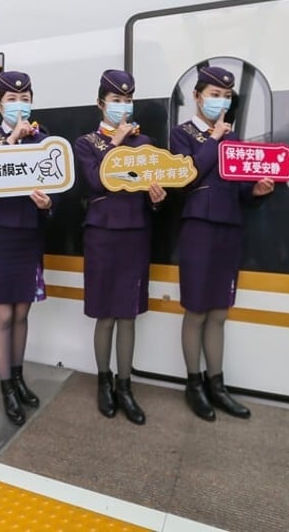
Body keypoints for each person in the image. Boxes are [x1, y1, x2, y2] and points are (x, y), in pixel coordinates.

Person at [169, 65, 274, 422]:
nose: (221, 101)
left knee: (219, 312)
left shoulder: (235, 140)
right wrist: (214, 139)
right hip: (198, 228)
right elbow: (186, 176)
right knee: (196, 310)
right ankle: (193, 383)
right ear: (197, 97)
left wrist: (256, 191)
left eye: (226, 95)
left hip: (230, 227)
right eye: (214, 94)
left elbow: (239, 186)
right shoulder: (181, 134)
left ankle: (218, 384)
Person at [73, 70, 165, 425]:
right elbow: (96, 181)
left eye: (127, 100)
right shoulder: (87, 143)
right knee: (105, 313)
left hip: (136, 233)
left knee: (128, 313)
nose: (122, 106)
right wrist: (116, 142)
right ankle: (104, 381)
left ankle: (126, 385)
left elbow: (154, 191)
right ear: (101, 104)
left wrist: (157, 200)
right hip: (101, 235)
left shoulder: (146, 145)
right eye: (115, 101)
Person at [0, 71, 53, 426]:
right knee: (1, 315)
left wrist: (49, 204)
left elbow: (56, 184)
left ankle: (18, 378)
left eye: (24, 98)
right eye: (11, 99)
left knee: (21, 313)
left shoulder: (45, 139)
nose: (18, 105)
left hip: (27, 235)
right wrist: (13, 141)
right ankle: (5, 386)